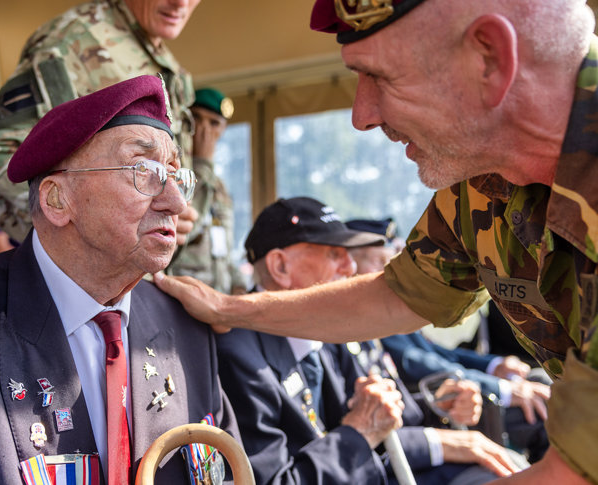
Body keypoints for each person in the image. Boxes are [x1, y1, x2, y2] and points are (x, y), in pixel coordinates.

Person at [152, 1, 598, 483]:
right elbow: (396, 294)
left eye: (381, 77)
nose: (361, 116)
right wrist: (231, 311)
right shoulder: (485, 179)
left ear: (488, 59)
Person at [0, 76, 239, 484]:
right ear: (57, 200)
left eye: (175, 174)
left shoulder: (186, 327)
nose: (176, 202)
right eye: (144, 170)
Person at [217, 197, 523, 485]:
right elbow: (278, 479)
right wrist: (360, 432)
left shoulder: (326, 331)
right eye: (334, 254)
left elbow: (359, 417)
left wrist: (439, 405)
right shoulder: (239, 355)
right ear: (280, 267)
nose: (350, 269)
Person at [0, 0, 201, 244]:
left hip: (143, 275)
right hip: (91, 277)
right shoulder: (70, 43)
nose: (180, 3)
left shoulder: (165, 62)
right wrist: (92, 232)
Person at [347, 218, 551, 463]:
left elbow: (441, 354)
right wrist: (501, 389)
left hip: (438, 408)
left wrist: (494, 366)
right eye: (379, 261)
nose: (389, 270)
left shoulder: (386, 312)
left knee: (540, 382)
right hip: (430, 414)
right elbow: (418, 363)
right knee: (544, 412)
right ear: (349, 266)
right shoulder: (364, 322)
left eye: (392, 259)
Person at [167, 88, 248, 294]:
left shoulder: (218, 185)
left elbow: (225, 249)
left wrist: (239, 287)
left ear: (222, 129)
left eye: (214, 123)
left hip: (217, 295)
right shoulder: (171, 172)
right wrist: (201, 163)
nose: (204, 130)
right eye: (197, 118)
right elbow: (184, 227)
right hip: (182, 293)